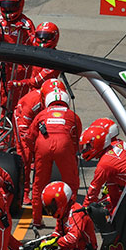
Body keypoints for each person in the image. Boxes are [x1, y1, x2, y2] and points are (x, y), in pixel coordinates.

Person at [27, 88, 81, 229]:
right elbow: (77, 140)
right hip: (64, 145)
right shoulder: (72, 115)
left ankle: (37, 220)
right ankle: (72, 219)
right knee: (71, 183)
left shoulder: (41, 114)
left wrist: (36, 153)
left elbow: (29, 137)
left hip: (43, 145)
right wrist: (71, 154)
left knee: (39, 184)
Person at [13, 78, 64, 205]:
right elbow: (23, 128)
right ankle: (23, 192)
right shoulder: (32, 102)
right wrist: (33, 145)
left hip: (43, 121)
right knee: (25, 156)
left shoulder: (60, 99)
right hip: (24, 122)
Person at [30, 181, 98, 250]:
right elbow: (58, 232)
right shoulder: (62, 213)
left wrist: (55, 242)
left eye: (52, 207)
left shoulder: (76, 213)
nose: (50, 212)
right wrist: (45, 243)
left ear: (61, 201)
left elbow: (72, 239)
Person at [0, 0, 35, 111]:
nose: (8, 9)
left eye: (11, 6)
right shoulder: (0, 21)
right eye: (5, 6)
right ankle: (5, 121)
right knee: (5, 95)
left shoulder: (26, 24)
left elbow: (35, 44)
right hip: (6, 65)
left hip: (21, 67)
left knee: (20, 96)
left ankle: (18, 120)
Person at [80, 118, 126, 211]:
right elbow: (112, 184)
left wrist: (84, 211)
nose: (85, 149)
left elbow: (93, 191)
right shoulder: (119, 143)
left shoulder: (104, 164)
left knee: (101, 208)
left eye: (88, 146)